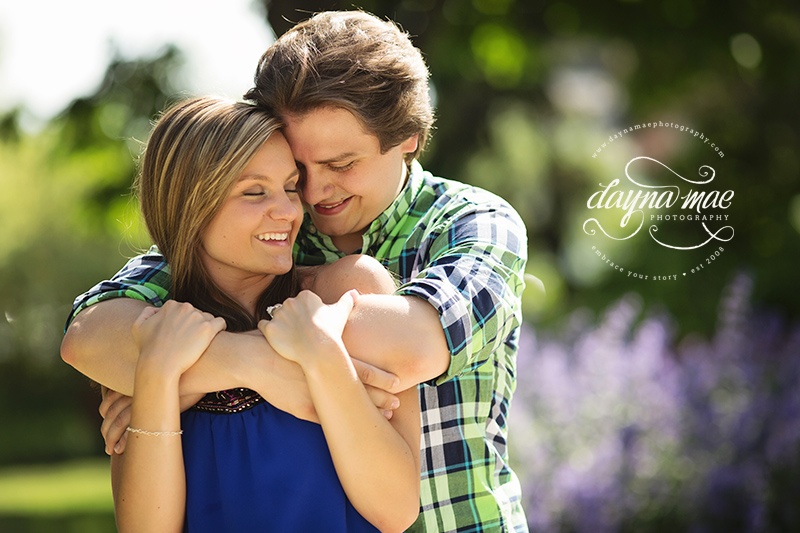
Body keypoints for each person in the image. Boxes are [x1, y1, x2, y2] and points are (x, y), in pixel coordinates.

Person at [62, 10, 530, 532]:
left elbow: (416, 345)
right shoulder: (268, 241)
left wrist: (171, 369)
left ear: (408, 139)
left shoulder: (472, 223)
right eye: (298, 170)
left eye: (341, 164)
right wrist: (271, 365)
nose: (310, 194)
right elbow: (89, 335)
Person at [97, 95, 421, 532]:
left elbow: (397, 509)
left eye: (290, 186)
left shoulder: (344, 295)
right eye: (255, 192)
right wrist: (156, 374)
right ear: (189, 207)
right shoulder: (152, 334)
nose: (289, 212)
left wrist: (322, 353)